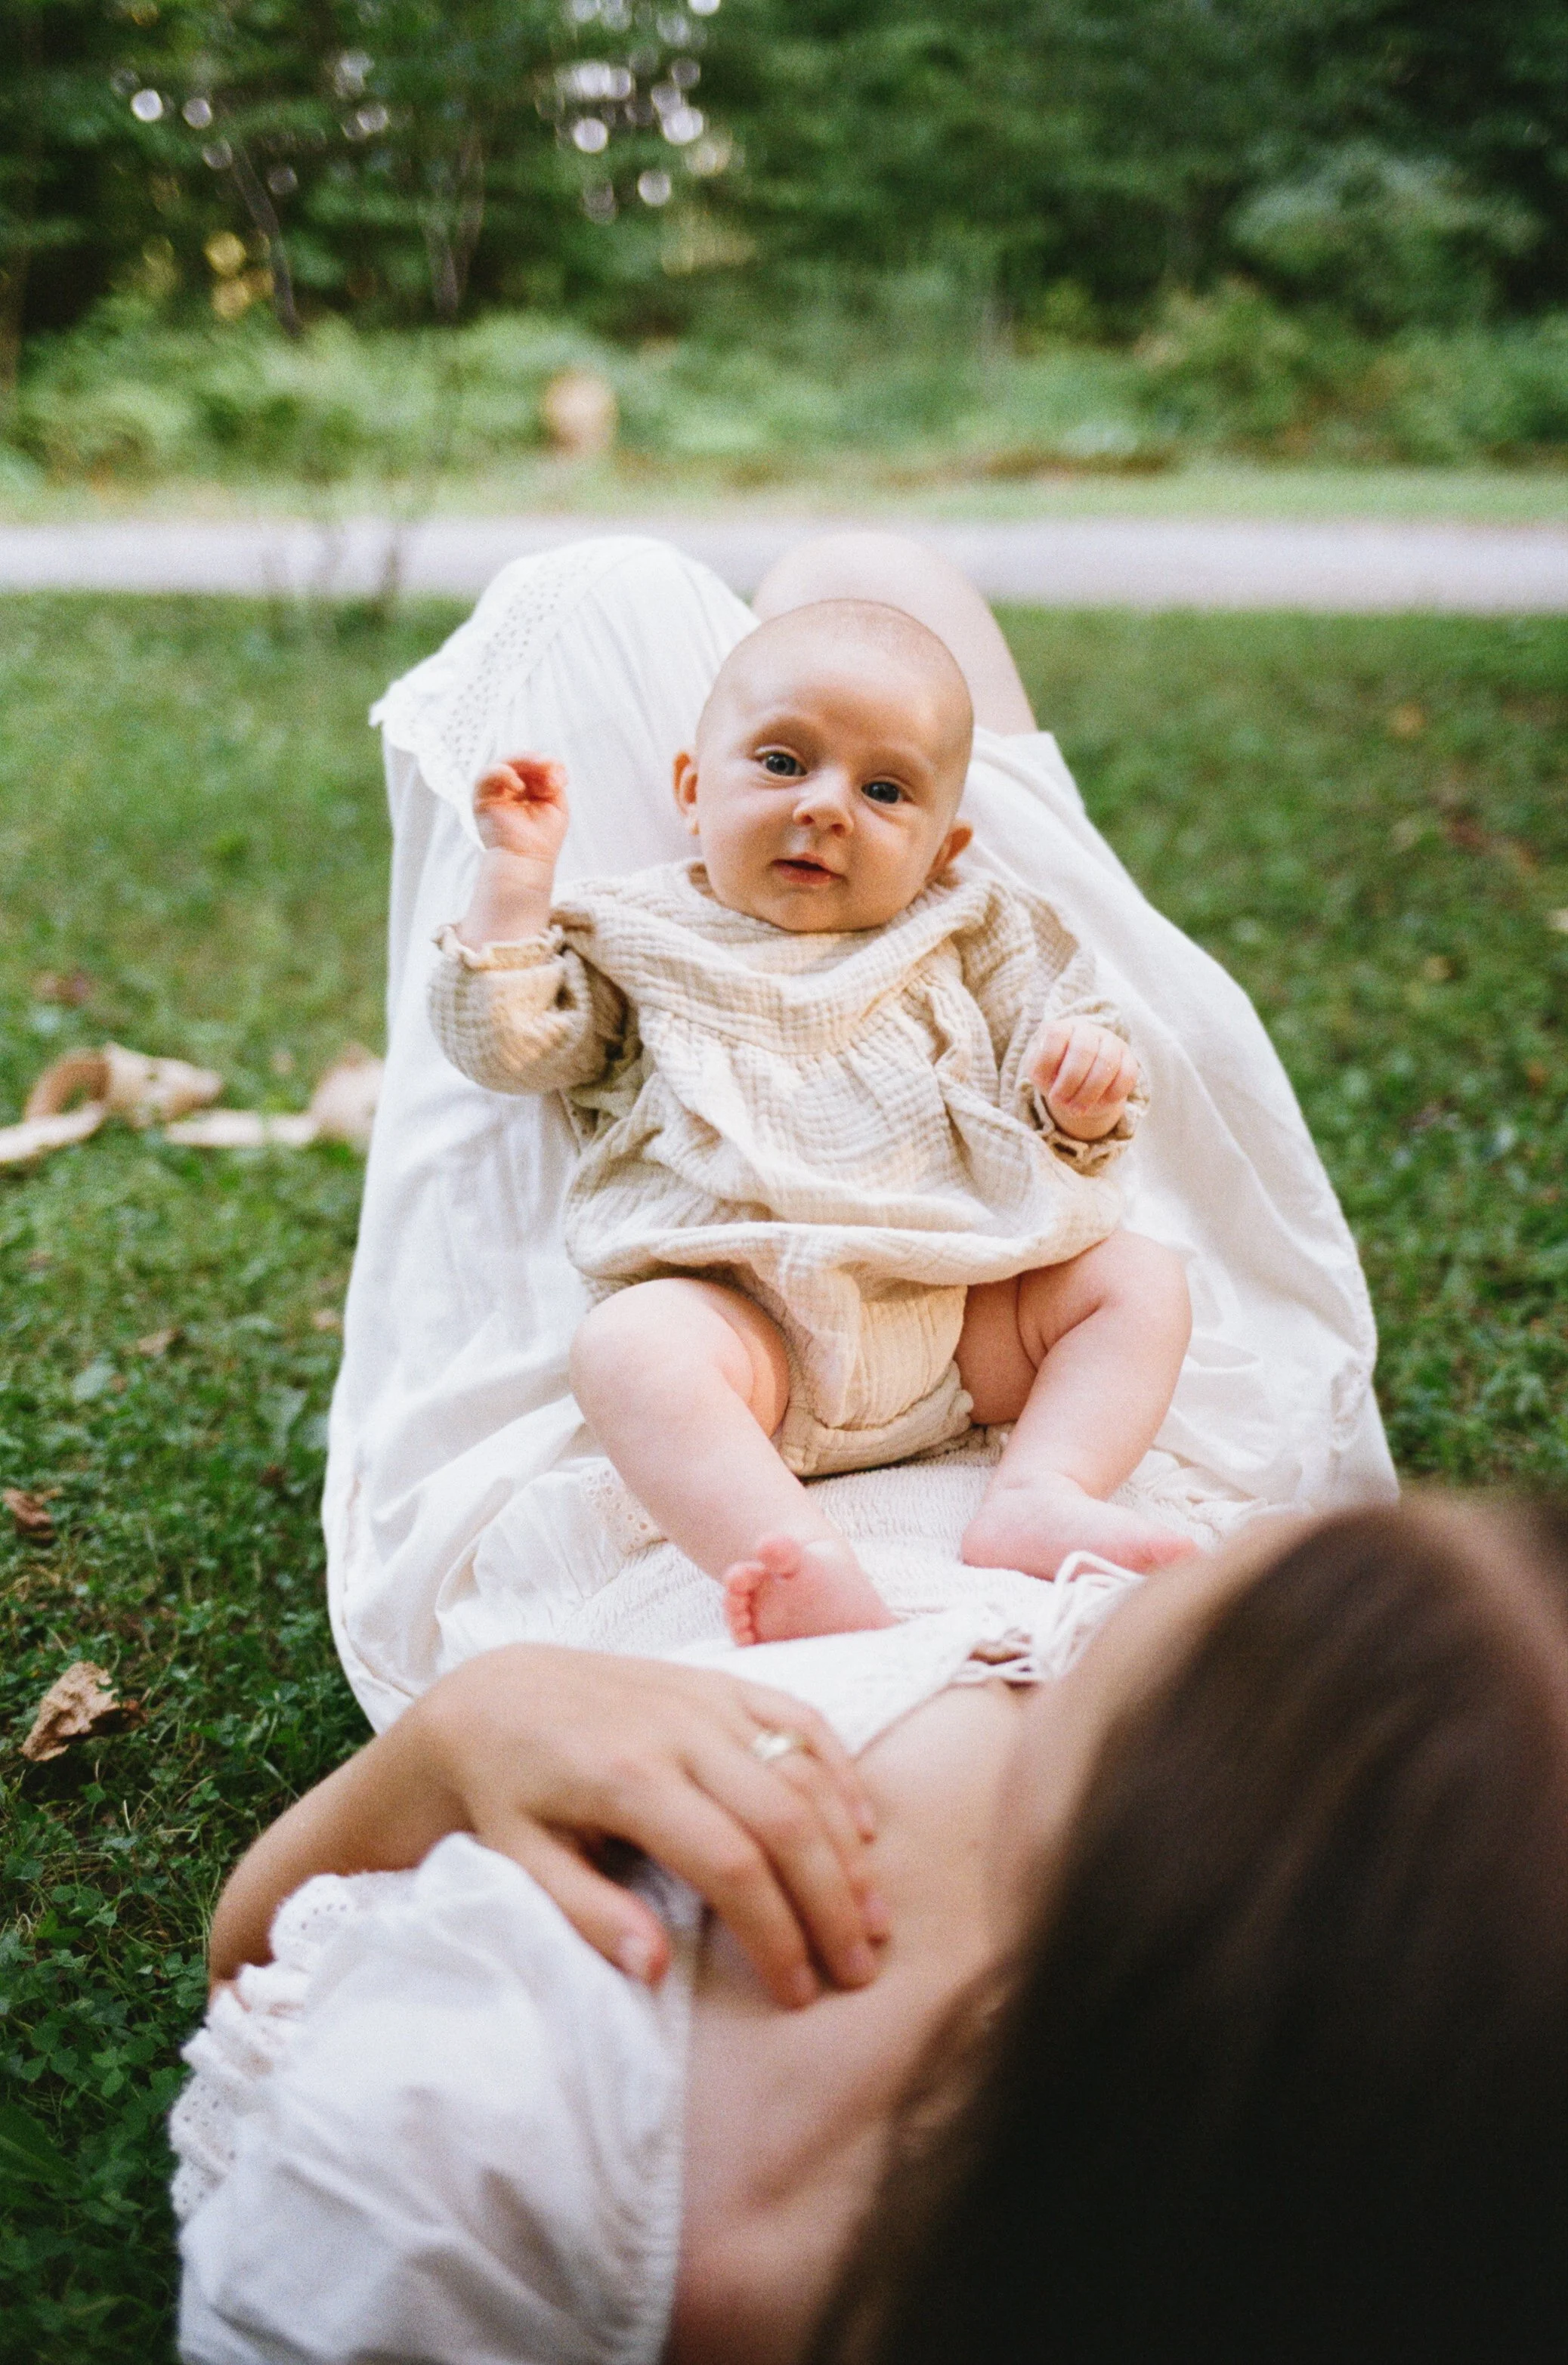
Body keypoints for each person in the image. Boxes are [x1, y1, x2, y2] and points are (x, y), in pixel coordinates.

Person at [174, 1495, 1568, 2362]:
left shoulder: (498, 2132)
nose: (1245, 1536)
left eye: (1253, 1616)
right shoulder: (1340, 2246)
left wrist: (457, 1736)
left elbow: (258, 1958)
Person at [427, 595, 1195, 1645]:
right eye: (783, 763)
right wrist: (515, 881)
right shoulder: (635, 935)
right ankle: (800, 1559)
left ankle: (1040, 1489)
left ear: (940, 848)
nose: (829, 807)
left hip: (957, 1322)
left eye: (884, 790)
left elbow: (1061, 1055)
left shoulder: (970, 931)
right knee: (627, 1349)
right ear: (693, 792)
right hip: (751, 1339)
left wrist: (1081, 1089)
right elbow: (510, 1045)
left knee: (1138, 1280)